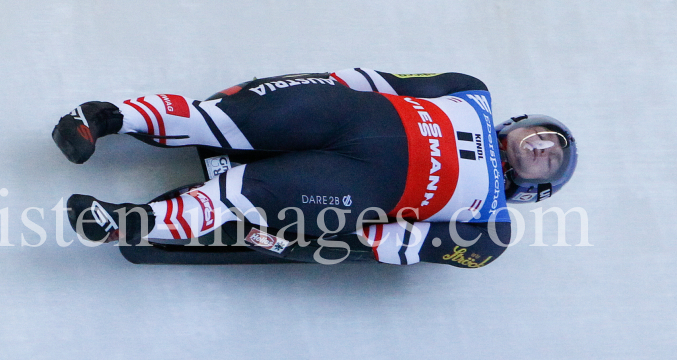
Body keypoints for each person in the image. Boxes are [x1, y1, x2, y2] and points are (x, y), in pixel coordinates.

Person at [51, 69, 577, 267]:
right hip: (345, 115)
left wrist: (314, 243)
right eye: (543, 138)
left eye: (549, 159)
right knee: (221, 120)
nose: (540, 150)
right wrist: (313, 85)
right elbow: (379, 81)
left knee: (242, 192)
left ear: (534, 188)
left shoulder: (492, 229)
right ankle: (103, 118)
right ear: (521, 124)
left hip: (359, 187)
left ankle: (125, 221)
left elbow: (394, 246)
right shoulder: (470, 92)